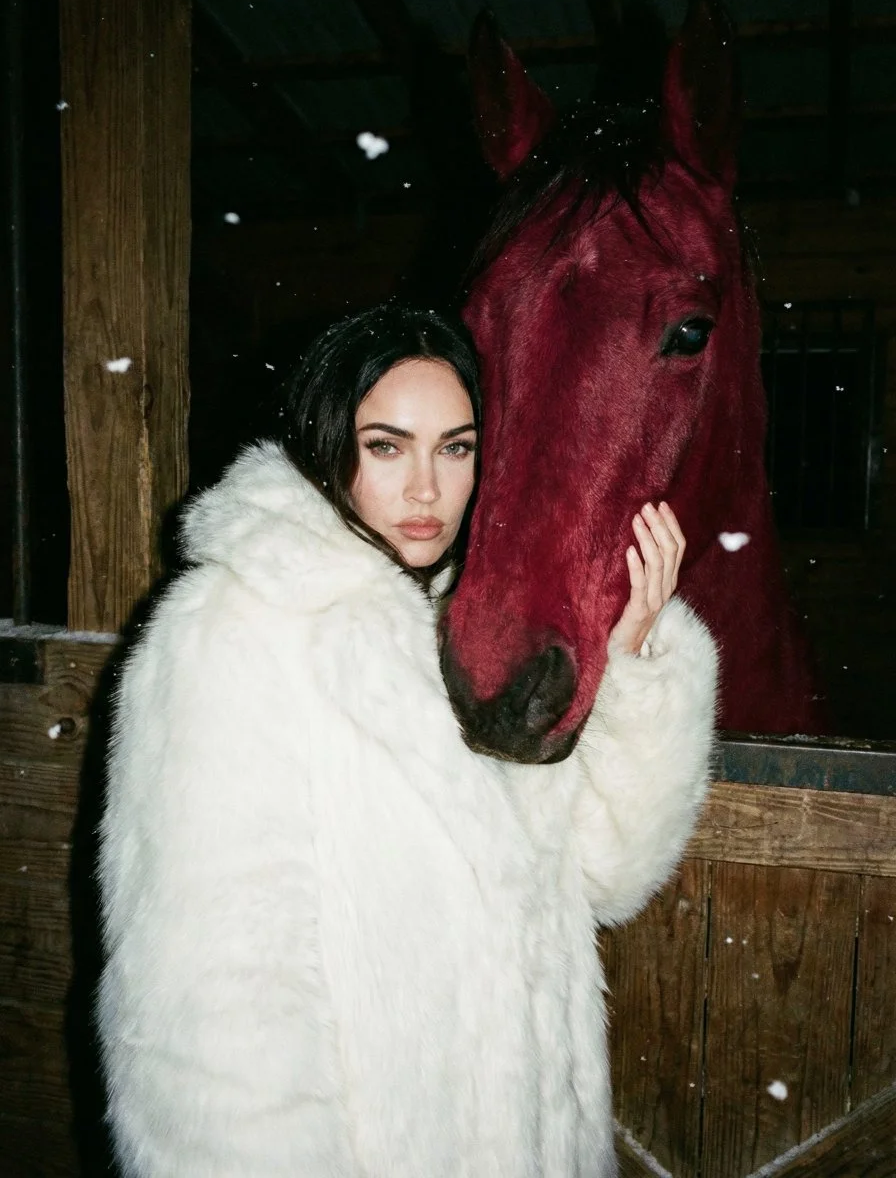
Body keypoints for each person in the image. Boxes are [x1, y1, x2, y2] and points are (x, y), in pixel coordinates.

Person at [98, 302, 718, 1177]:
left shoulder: (479, 628)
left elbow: (609, 872)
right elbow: (211, 1014)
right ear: (327, 442)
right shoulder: (233, 630)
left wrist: (636, 658)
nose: (426, 489)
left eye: (457, 448)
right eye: (387, 446)